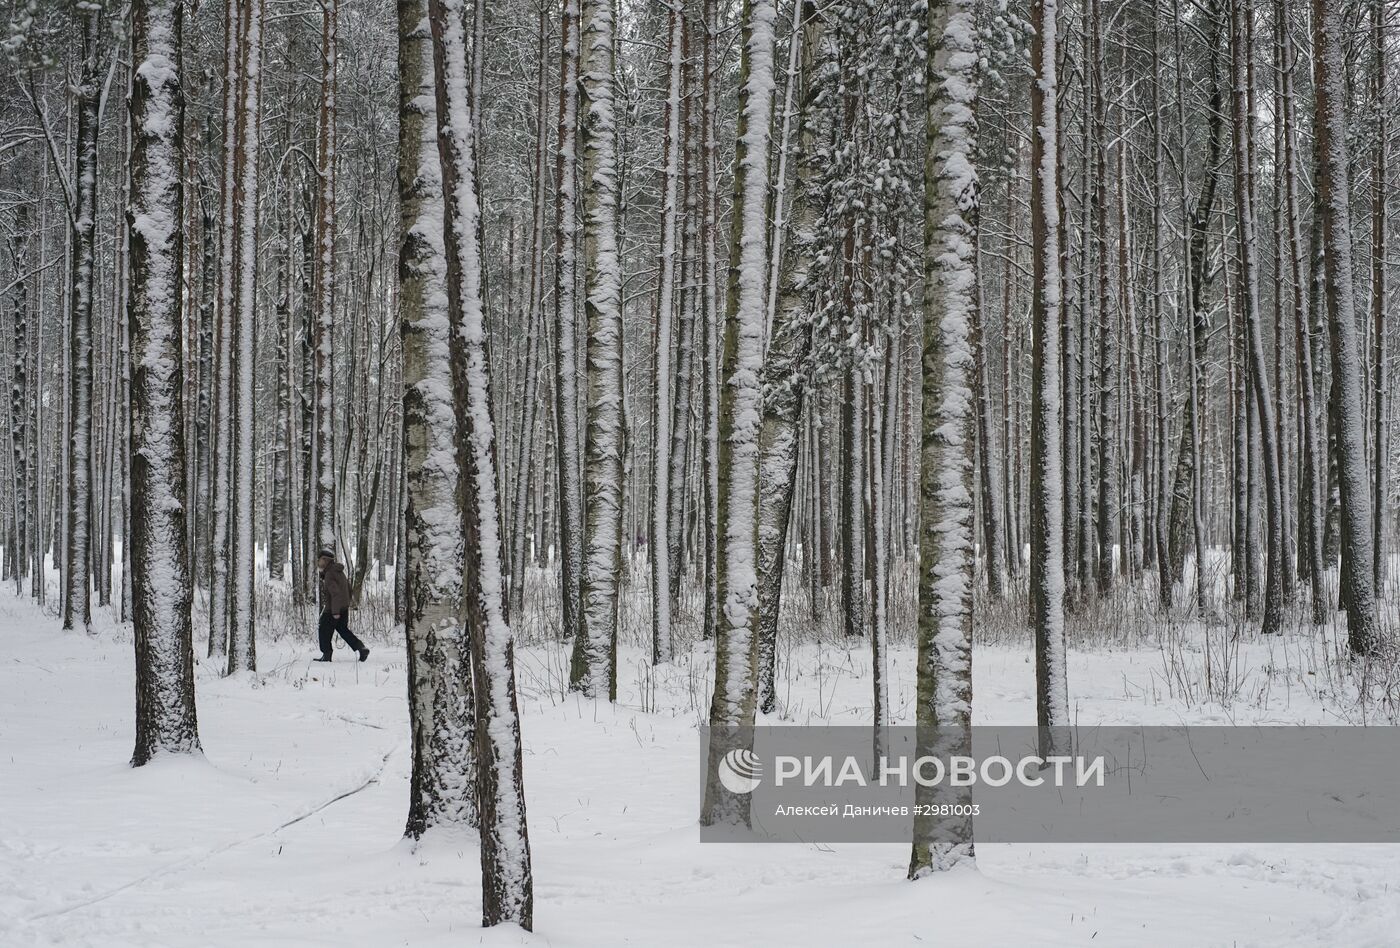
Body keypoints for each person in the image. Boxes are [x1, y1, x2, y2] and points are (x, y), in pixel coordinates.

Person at [314, 549, 369, 662]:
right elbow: (349, 588)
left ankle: (327, 654)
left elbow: (335, 593)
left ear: (325, 560)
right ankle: (361, 648)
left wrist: (335, 612)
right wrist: (346, 604)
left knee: (323, 629)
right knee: (343, 630)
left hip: (333, 609)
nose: (318, 563)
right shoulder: (339, 571)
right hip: (343, 607)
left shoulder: (330, 574)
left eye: (319, 560)